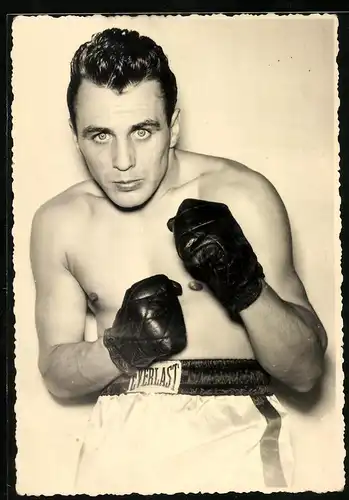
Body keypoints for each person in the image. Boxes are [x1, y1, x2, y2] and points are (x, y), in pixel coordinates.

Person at [30, 27, 328, 494]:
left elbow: (307, 371)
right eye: (100, 135)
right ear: (75, 135)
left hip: (236, 433)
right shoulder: (59, 223)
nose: (122, 161)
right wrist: (117, 348)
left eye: (143, 131)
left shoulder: (242, 196)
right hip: (118, 442)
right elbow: (56, 373)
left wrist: (246, 287)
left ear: (175, 124)